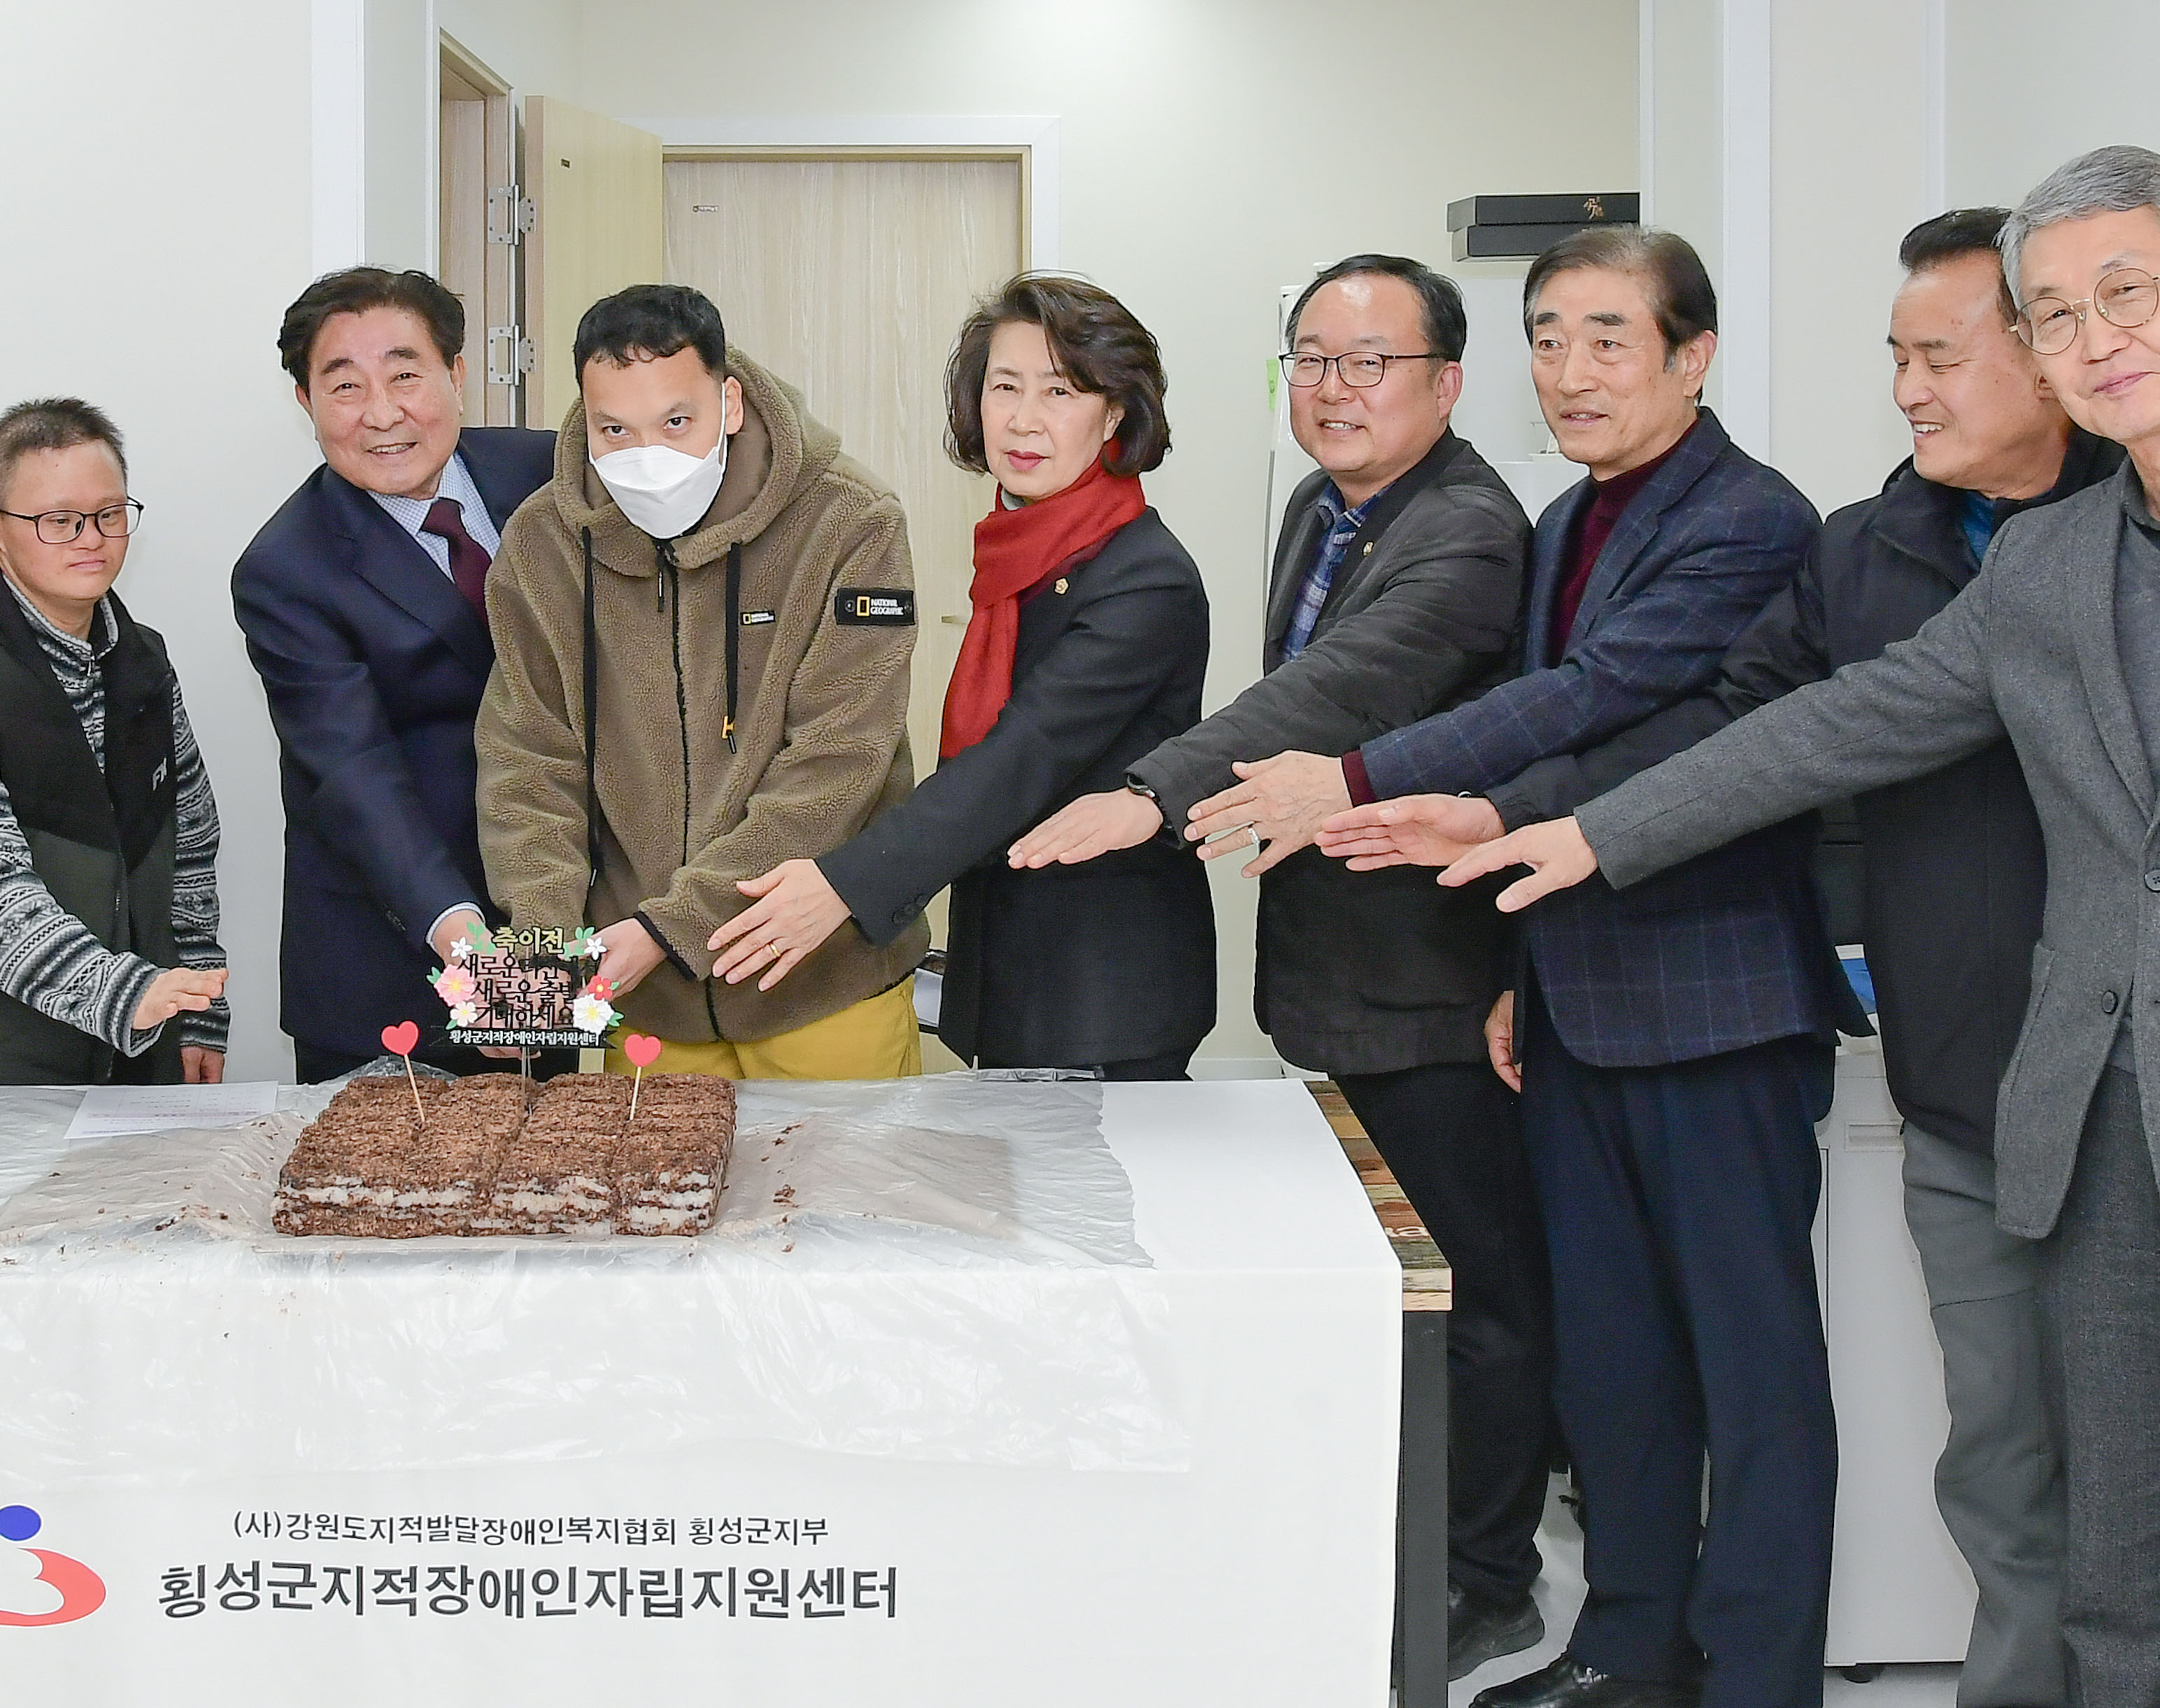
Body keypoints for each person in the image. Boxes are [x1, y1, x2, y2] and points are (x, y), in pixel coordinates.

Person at [1359, 148, 2160, 1708]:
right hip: (2097, 1163)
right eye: (2054, 313)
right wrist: (1581, 829)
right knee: (2122, 1608)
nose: (2093, 338)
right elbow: (1833, 723)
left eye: (2123, 292)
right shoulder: (2053, 560)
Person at [1291, 224, 1861, 1708]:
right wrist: (1515, 969)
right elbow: (1583, 723)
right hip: (1571, 996)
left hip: (1716, 1004)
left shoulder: (1750, 517)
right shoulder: (1564, 520)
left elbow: (1624, 710)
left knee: (1751, 1373)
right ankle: (1625, 1648)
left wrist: (1404, 788)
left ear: (1692, 353)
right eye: (1547, 337)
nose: (1570, 369)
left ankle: (1756, 1676)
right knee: (1612, 1364)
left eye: (1609, 336)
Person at [1005, 250, 1550, 1682]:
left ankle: (1486, 1577)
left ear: (1447, 379)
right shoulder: (1323, 505)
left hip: (1438, 982)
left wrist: (1153, 790)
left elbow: (1334, 691)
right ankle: (1391, 1542)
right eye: (1310, 358)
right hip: (1333, 970)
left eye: (1369, 361)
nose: (1333, 387)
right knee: (1384, 1289)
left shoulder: (1468, 532)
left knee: (1473, 1296)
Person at [712, 274, 1209, 1074]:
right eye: (1005, 386)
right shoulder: (1019, 551)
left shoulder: (1146, 579)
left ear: (1115, 412)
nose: (1024, 418)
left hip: (1103, 993)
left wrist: (843, 885)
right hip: (1009, 976)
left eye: (1060, 391)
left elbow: (1014, 763)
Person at [471, 284, 925, 1079]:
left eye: (676, 422)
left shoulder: (850, 521)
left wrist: (673, 927)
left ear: (731, 402)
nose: (646, 456)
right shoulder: (543, 544)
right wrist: (541, 963)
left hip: (818, 981)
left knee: (845, 1169)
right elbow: (529, 766)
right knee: (643, 1171)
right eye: (615, 430)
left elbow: (839, 761)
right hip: (646, 1000)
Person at [231, 268, 556, 1081]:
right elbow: (355, 776)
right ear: (306, 402)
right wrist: (475, 956)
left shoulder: (550, 473)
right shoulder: (287, 568)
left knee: (564, 1154)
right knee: (389, 1163)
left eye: (405, 374)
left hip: (547, 918)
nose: (381, 413)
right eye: (345, 386)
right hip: (392, 960)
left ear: (455, 373)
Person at [0, 398, 230, 1085]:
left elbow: (189, 841)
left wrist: (197, 1005)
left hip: (134, 1053)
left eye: (110, 514)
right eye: (59, 520)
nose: (91, 538)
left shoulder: (144, 662)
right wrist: (126, 994)